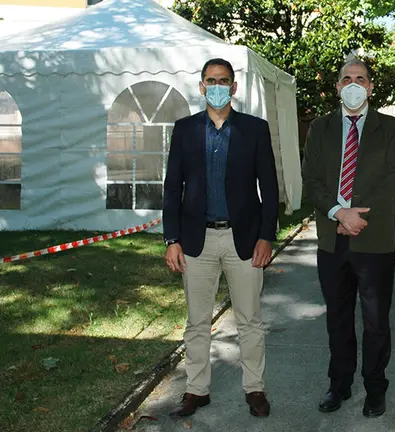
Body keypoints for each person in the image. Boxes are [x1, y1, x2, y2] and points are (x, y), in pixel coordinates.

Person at [162, 58, 279, 418]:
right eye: (210, 81)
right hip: (196, 241)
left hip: (244, 240)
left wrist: (266, 236)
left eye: (223, 80)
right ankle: (196, 390)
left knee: (250, 319)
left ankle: (255, 389)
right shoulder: (184, 130)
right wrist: (172, 239)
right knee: (197, 322)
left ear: (233, 87)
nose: (217, 86)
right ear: (201, 86)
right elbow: (172, 188)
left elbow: (269, 188)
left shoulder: (254, 129)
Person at [301, 58, 395, 418]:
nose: (353, 84)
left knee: (376, 320)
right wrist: (338, 212)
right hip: (332, 240)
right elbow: (311, 178)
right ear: (337, 87)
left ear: (371, 87)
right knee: (338, 318)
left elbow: (393, 179)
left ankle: (375, 388)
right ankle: (339, 384)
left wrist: (356, 215)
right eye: (347, 78)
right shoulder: (320, 127)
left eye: (360, 78)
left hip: (374, 239)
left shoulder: (389, 128)